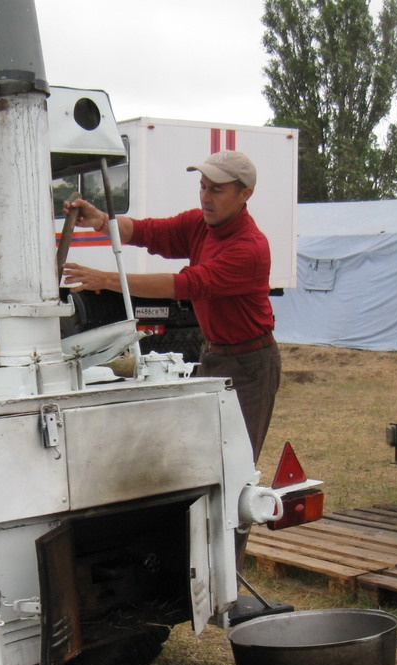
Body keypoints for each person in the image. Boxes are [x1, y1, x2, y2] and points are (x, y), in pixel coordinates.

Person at [62, 149, 280, 461]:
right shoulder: (200, 224)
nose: (206, 196)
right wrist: (101, 220)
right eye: (203, 186)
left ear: (245, 194)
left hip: (250, 364)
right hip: (213, 353)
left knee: (235, 462)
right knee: (202, 456)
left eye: (216, 189)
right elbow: (148, 231)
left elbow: (187, 285)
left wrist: (108, 280)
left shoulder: (249, 248)